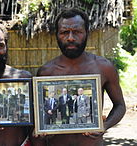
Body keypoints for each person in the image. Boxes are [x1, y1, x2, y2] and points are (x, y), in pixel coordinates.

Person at [33, 8, 126, 146]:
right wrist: (43, 128)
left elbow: (120, 106)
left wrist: (104, 126)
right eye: (64, 32)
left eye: (77, 32)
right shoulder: (46, 72)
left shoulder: (103, 68)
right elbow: (42, 114)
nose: (70, 37)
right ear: (57, 35)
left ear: (87, 33)